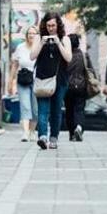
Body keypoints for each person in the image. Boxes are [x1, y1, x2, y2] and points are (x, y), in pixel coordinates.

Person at [30, 12, 73, 150]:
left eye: (53, 25)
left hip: (59, 80)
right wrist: (42, 43)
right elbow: (32, 56)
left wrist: (58, 42)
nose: (51, 28)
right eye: (48, 25)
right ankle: (42, 136)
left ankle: (53, 137)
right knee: (42, 110)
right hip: (42, 79)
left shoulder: (65, 39)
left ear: (58, 25)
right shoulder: (39, 38)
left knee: (56, 111)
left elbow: (69, 58)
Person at [9, 26, 39, 142]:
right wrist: (10, 81)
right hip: (23, 80)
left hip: (37, 81)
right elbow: (15, 65)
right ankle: (25, 132)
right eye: (29, 33)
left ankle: (32, 131)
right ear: (26, 35)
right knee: (25, 106)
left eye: (34, 33)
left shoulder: (39, 48)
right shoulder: (20, 48)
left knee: (35, 109)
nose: (31, 35)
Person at [64, 33, 89, 142]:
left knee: (69, 110)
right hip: (81, 86)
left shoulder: (65, 56)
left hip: (67, 87)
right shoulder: (84, 55)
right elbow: (90, 70)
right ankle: (79, 127)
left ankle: (71, 134)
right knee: (79, 109)